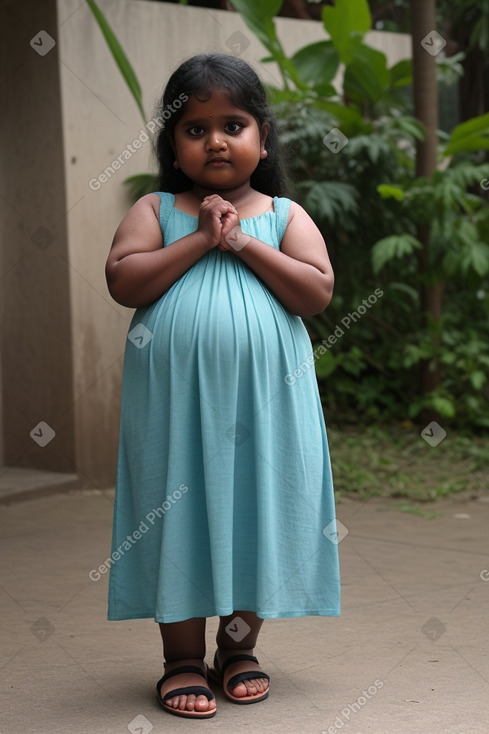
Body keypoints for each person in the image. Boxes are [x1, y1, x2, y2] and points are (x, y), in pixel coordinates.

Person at [105, 53, 340, 720]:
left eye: (232, 124)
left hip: (265, 411)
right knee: (172, 511)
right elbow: (124, 280)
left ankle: (237, 649)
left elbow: (316, 292)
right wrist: (201, 239)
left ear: (262, 139)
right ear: (172, 148)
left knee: (254, 511)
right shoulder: (158, 209)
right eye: (194, 128)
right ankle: (180, 659)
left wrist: (240, 243)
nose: (214, 139)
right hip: (174, 413)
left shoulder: (282, 214)